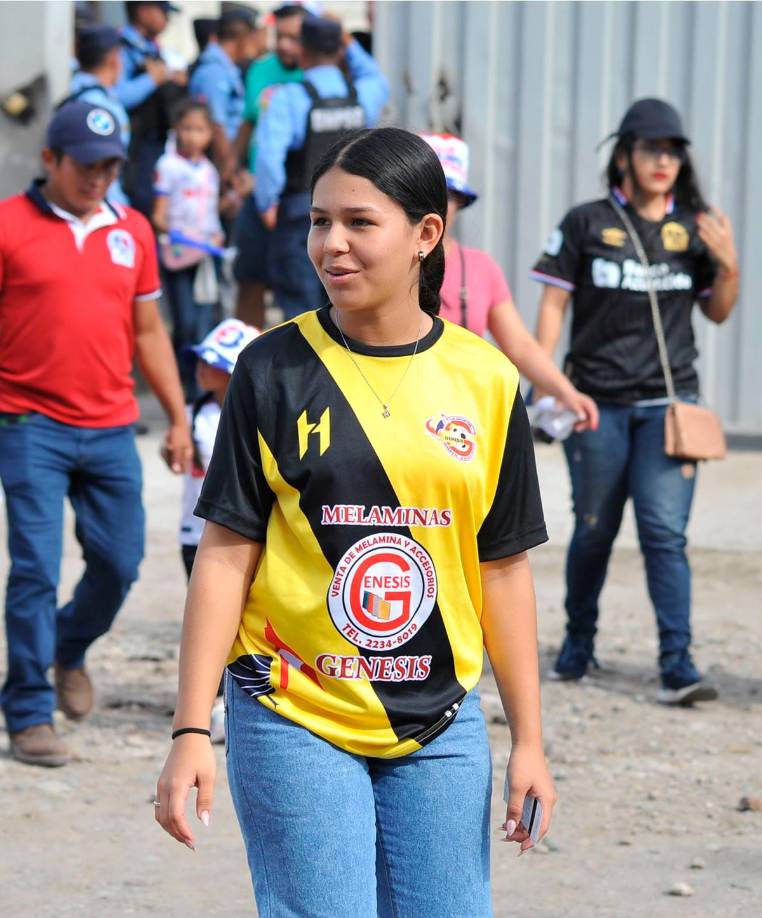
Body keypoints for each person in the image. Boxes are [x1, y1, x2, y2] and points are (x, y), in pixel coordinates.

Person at [154, 127, 556, 915]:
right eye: (317, 221)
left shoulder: (486, 380)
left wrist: (530, 742)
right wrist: (190, 731)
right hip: (292, 710)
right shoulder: (270, 368)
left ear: (426, 234)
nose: (331, 245)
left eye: (359, 223)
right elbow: (226, 554)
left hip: (440, 720)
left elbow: (502, 569)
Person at [0, 101, 192, 767]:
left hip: (111, 425)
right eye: (86, 165)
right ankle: (26, 709)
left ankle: (67, 648)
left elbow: (147, 331)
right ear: (50, 159)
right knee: (33, 569)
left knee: (120, 562)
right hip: (29, 423)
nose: (98, 178)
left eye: (110, 165)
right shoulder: (8, 226)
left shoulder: (132, 229)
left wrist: (177, 416)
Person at [531, 98, 739, 705]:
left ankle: (678, 662)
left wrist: (728, 266)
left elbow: (719, 312)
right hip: (595, 404)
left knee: (664, 534)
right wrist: (546, 382)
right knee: (594, 529)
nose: (663, 161)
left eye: (673, 151)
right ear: (624, 154)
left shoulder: (696, 225)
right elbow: (551, 308)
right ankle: (577, 643)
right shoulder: (585, 222)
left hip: (669, 407)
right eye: (651, 149)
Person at [422, 132, 598, 429]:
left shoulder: (481, 267)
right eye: (427, 191)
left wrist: (566, 393)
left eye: (449, 194)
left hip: (459, 418)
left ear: (460, 201)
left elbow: (519, 345)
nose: (439, 203)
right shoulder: (384, 263)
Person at [255, 14, 389, 319]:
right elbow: (376, 75)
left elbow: (268, 158)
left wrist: (267, 204)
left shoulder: (288, 98)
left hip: (302, 213)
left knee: (301, 311)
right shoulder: (363, 94)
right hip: (356, 214)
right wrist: (348, 40)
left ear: (303, 53)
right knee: (347, 308)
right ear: (340, 51)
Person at [176, 318, 259, 742]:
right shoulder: (202, 414)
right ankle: (212, 699)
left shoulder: (251, 413)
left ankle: (232, 695)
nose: (200, 370)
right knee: (213, 611)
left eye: (212, 364)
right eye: (201, 361)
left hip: (236, 535)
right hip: (199, 535)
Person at [231, 2, 307, 329]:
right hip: (257, 196)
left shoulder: (317, 75)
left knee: (299, 292)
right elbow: (248, 123)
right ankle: (246, 365)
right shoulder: (260, 69)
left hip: (298, 201)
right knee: (249, 281)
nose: (286, 44)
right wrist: (232, 170)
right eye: (281, 35)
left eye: (295, 37)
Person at [152, 99, 223, 399]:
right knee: (186, 322)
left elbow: (210, 215)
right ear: (176, 130)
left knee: (205, 322)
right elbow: (158, 216)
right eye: (187, 129)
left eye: (200, 129)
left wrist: (215, 236)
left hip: (206, 256)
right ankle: (185, 388)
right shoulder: (167, 167)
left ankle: (202, 389)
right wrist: (184, 236)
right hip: (178, 256)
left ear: (210, 134)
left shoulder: (209, 171)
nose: (193, 136)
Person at [116, 0, 187, 217]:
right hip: (132, 149)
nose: (166, 20)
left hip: (155, 145)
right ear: (144, 11)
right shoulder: (121, 46)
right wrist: (153, 79)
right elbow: (117, 94)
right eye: (163, 12)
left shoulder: (150, 48)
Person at [188, 8, 257, 184]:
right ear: (242, 38)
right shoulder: (214, 72)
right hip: (218, 165)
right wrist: (230, 170)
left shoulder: (226, 68)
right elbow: (216, 124)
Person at [69, 25, 131, 207]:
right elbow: (100, 164)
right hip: (101, 201)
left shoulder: (77, 89)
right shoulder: (98, 104)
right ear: (113, 60)